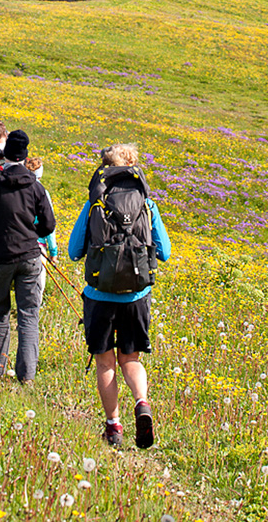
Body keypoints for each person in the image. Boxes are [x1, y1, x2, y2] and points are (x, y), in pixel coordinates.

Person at [69, 143, 170, 449]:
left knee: (105, 362)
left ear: (104, 169)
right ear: (134, 166)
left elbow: (74, 251)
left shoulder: (95, 203)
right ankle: (141, 403)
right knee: (131, 358)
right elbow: (164, 251)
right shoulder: (147, 204)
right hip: (137, 295)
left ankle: (113, 426)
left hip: (99, 296)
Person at [0, 129, 56, 383]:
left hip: (0, 256)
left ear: (5, 154)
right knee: (29, 315)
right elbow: (49, 225)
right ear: (25, 155)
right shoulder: (36, 187)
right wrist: (31, 232)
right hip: (29, 256)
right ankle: (26, 376)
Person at [26, 155, 58, 297]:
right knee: (38, 286)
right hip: (38, 245)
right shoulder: (43, 193)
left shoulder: (19, 190)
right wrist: (53, 252)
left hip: (18, 242)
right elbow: (49, 226)